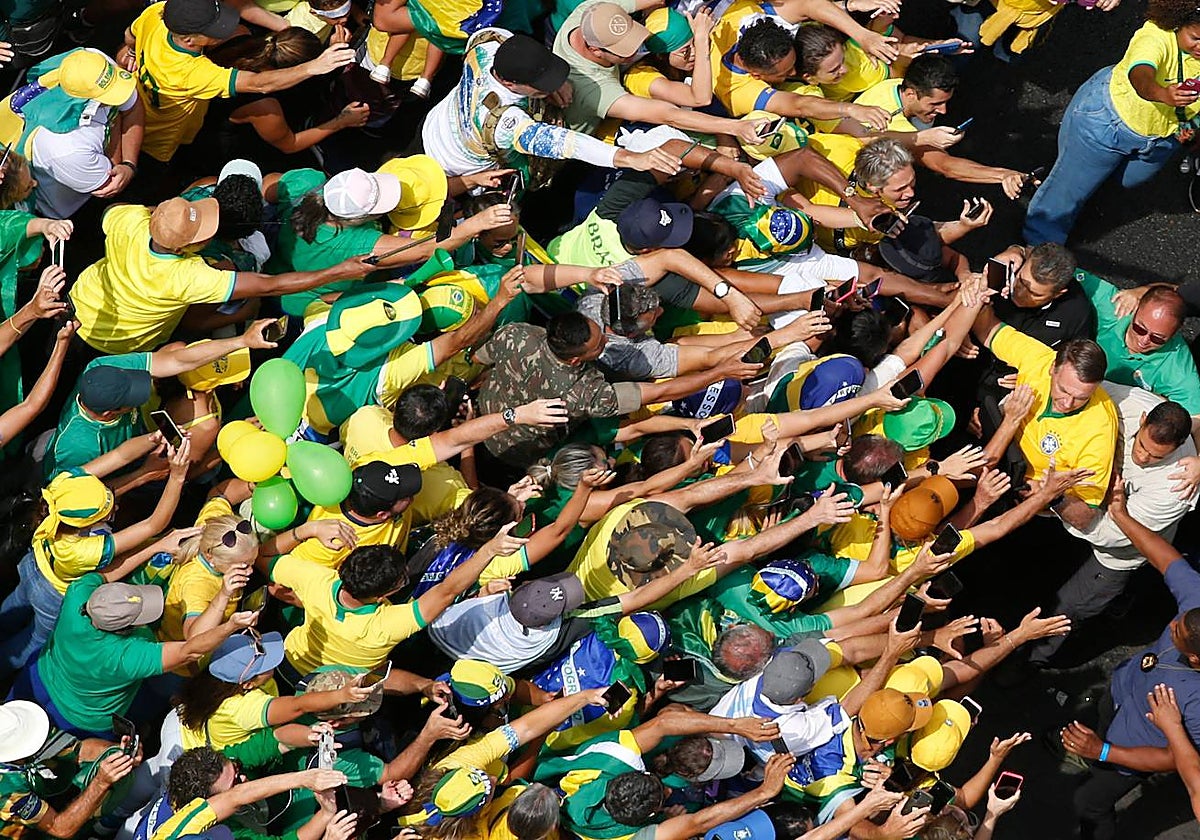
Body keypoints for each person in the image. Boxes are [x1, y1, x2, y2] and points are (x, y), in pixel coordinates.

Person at [1060, 476, 1200, 840]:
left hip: (1129, 752)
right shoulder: (1198, 609)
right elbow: (1166, 558)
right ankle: (1090, 750)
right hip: (1121, 691)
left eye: (1178, 634)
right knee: (1101, 716)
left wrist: (1104, 750)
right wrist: (1121, 516)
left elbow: (1176, 760)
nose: (1171, 628)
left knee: (1088, 804)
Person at [1027, 387, 1196, 669]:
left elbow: (1113, 535)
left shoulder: (1177, 486)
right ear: (1142, 420)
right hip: (1083, 506)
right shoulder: (1128, 402)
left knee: (1070, 607)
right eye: (1141, 445)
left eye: (1155, 457)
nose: (1142, 457)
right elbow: (1077, 392)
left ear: (1179, 448)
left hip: (1119, 553)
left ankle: (1032, 660)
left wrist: (1054, 497)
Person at [69, 198, 371, 355]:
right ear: (186, 246)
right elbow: (270, 285)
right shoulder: (189, 276)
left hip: (79, 305)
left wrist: (158, 219)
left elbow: (112, 209)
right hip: (121, 343)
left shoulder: (131, 222)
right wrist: (340, 270)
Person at [473, 311, 758, 468]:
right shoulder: (587, 393)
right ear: (574, 360)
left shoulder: (518, 334)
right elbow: (661, 393)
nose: (607, 343)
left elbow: (478, 361)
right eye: (599, 346)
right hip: (515, 455)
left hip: (478, 419)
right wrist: (719, 372)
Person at [1023, 0, 1200, 244]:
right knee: (1068, 190)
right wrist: (1162, 93)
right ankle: (1039, 248)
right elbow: (1141, 75)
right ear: (1177, 23)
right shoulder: (1155, 35)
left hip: (1163, 134)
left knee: (1128, 179)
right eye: (1195, 38)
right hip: (1108, 124)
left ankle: (1090, 175)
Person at [121, 0, 355, 174]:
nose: (225, 31)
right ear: (189, 40)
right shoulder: (191, 73)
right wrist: (315, 68)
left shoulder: (158, 13)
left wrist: (131, 52)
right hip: (158, 141)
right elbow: (257, 83)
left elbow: (130, 34)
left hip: (138, 105)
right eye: (214, 32)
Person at [11, 574, 255, 737]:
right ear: (124, 630)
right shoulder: (128, 655)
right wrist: (230, 624)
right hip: (80, 717)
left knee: (9, 725)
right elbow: (188, 650)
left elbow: (103, 573)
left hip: (39, 675)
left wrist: (158, 544)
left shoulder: (79, 596)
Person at [422, 28, 681, 181]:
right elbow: (569, 144)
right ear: (511, 84)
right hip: (456, 164)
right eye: (540, 83)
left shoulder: (489, 43)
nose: (548, 86)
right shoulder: (505, 123)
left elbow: (478, 35)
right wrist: (629, 158)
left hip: (436, 122)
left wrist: (553, 85)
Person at [551, 0, 767, 143]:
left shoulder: (594, 11)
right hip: (574, 148)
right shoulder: (593, 89)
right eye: (625, 50)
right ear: (595, 50)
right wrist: (736, 127)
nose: (636, 50)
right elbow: (671, 114)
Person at [847, 55, 1029, 198]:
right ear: (911, 94)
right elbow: (946, 166)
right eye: (935, 104)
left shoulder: (893, 85)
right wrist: (1003, 175)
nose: (943, 111)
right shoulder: (897, 130)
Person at [0, 48, 144, 219]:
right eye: (109, 96)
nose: (121, 93)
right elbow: (110, 183)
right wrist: (116, 118)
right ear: (83, 99)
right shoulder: (67, 150)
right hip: (63, 208)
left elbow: (131, 105)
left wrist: (129, 164)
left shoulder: (90, 63)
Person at [0, 698, 139, 839]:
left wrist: (118, 752)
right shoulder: (7, 790)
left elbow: (78, 749)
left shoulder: (27, 731)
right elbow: (59, 828)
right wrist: (100, 783)